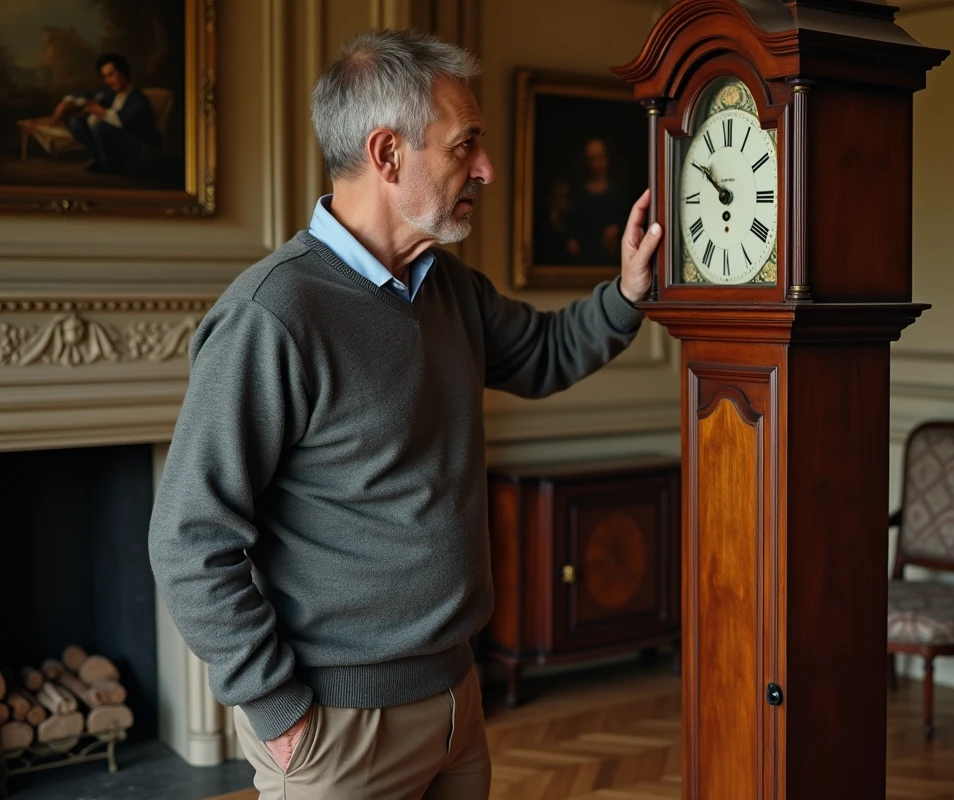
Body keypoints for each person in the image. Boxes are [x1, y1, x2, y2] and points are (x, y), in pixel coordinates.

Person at [147, 27, 662, 800]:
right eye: (466, 146)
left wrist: (625, 293)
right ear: (388, 155)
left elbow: (546, 351)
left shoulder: (447, 286)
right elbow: (189, 537)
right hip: (337, 726)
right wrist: (281, 709)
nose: (485, 169)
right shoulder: (272, 314)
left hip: (457, 699)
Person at [54, 53, 161, 174]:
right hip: (111, 140)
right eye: (105, 77)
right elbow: (85, 95)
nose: (108, 81)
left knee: (100, 126)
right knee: (76, 122)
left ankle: (110, 164)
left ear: (124, 73)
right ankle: (99, 158)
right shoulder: (110, 94)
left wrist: (103, 112)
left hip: (133, 146)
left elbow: (125, 122)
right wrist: (67, 102)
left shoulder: (138, 99)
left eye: (111, 75)